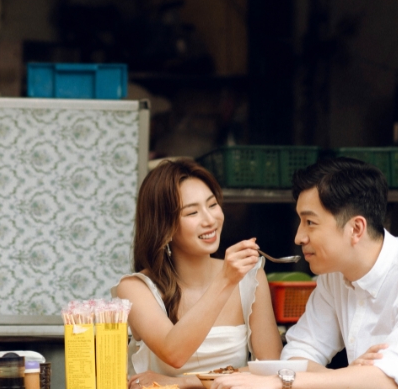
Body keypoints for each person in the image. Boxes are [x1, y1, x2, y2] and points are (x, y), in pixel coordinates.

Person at [213, 158, 398, 389]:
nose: (298, 237)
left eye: (310, 223)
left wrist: (282, 381)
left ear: (356, 228)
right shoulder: (335, 277)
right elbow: (298, 356)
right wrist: (351, 376)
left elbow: (390, 380)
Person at [116, 159, 281, 387]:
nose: (210, 220)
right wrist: (225, 280)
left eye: (212, 205)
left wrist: (189, 382)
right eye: (192, 212)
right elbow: (174, 353)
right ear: (164, 227)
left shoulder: (251, 276)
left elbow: (271, 366)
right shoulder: (135, 288)